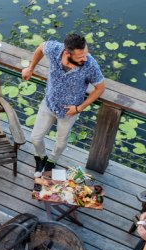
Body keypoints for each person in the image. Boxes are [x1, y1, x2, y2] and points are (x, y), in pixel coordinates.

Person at [22, 33, 106, 177]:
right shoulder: (55, 49)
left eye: (86, 53)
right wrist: (31, 68)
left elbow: (100, 88)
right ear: (67, 53)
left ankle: (52, 160)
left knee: (60, 143)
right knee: (35, 138)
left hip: (70, 111)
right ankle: (41, 157)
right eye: (80, 57)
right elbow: (41, 47)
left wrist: (79, 108)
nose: (85, 58)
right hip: (48, 104)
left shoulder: (90, 64)